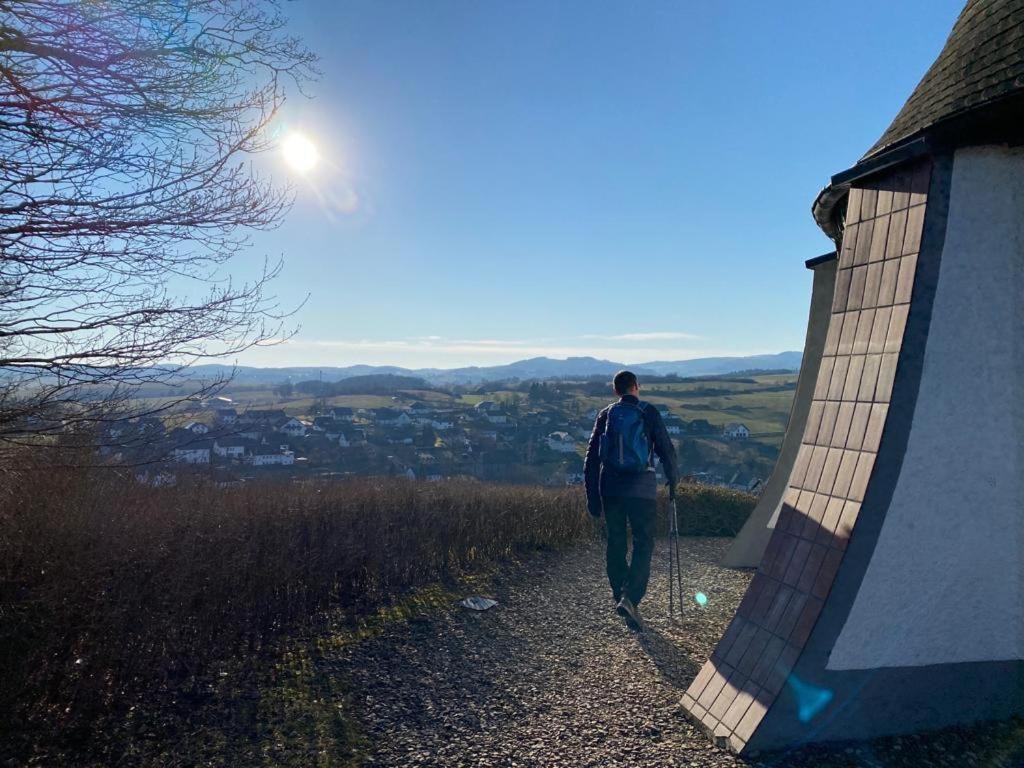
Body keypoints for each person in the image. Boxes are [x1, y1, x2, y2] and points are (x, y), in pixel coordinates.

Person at [584, 370, 679, 631]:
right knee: (643, 542)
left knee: (615, 542)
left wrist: (592, 498)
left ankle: (620, 594)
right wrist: (673, 480)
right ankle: (631, 596)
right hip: (642, 489)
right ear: (637, 387)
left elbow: (591, 459)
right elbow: (666, 449)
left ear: (616, 391)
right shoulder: (648, 412)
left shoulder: (605, 415)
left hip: (611, 488)